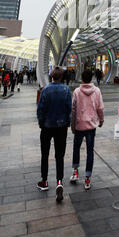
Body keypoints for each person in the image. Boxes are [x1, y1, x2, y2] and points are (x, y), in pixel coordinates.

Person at [37, 67, 72, 202]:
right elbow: (70, 108)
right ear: (61, 77)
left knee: (45, 154)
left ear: (51, 76)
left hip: (47, 126)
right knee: (59, 155)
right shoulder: (66, 90)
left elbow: (40, 109)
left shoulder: (45, 90)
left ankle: (44, 181)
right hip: (61, 127)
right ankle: (59, 181)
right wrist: (67, 122)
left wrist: (41, 123)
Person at [70, 70, 104, 190]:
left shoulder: (77, 92)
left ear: (82, 78)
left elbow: (73, 110)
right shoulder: (97, 91)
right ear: (91, 78)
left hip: (79, 125)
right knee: (90, 151)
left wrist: (73, 126)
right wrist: (101, 120)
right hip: (91, 126)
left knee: (76, 148)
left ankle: (75, 172)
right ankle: (88, 178)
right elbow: (100, 108)